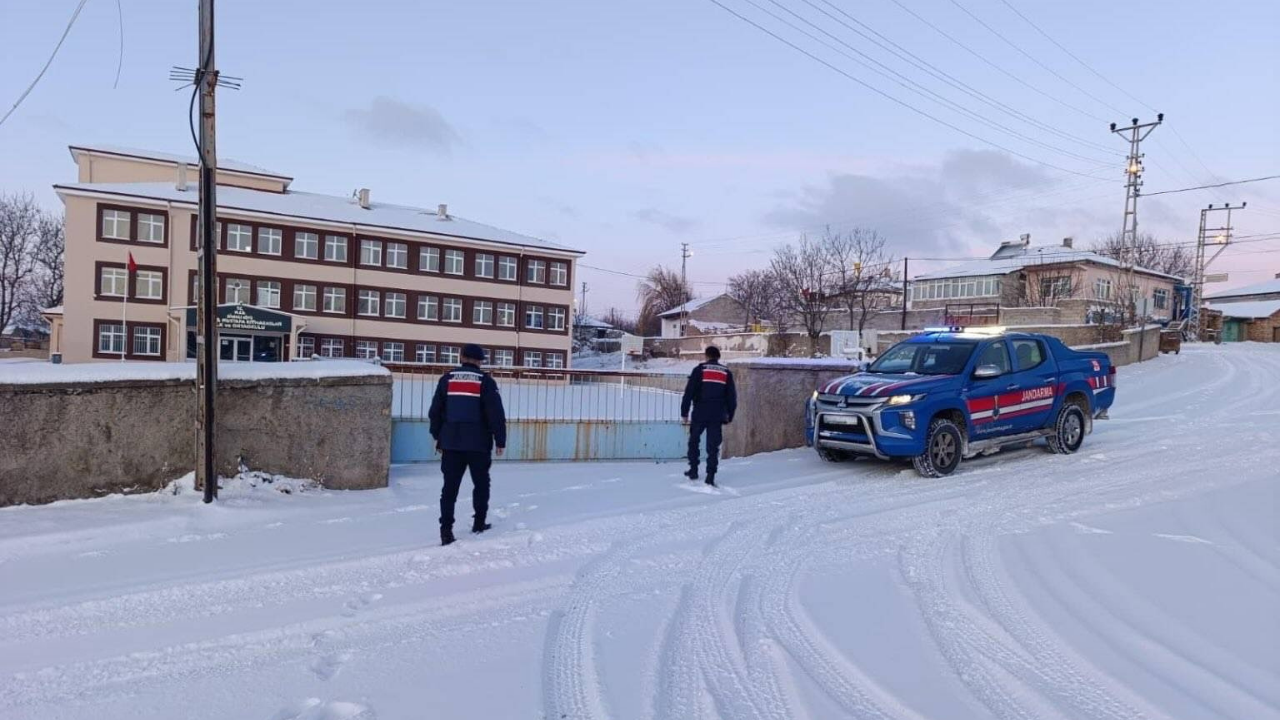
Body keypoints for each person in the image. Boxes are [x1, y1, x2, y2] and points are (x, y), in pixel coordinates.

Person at [428, 344, 507, 546]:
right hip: (478, 444)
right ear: (480, 361)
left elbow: (435, 411)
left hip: (451, 443)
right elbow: (495, 413)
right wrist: (500, 439)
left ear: (461, 356)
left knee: (449, 488)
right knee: (481, 484)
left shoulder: (447, 380)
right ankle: (479, 523)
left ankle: (446, 531)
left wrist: (438, 435)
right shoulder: (486, 382)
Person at [680, 345, 737, 486]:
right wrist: (730, 414)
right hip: (717, 414)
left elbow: (689, 392)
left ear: (706, 356)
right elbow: (732, 397)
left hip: (700, 411)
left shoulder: (699, 370)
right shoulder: (726, 373)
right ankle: (710, 475)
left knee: (694, 441)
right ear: (718, 357)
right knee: (713, 446)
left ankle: (693, 470)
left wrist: (684, 412)